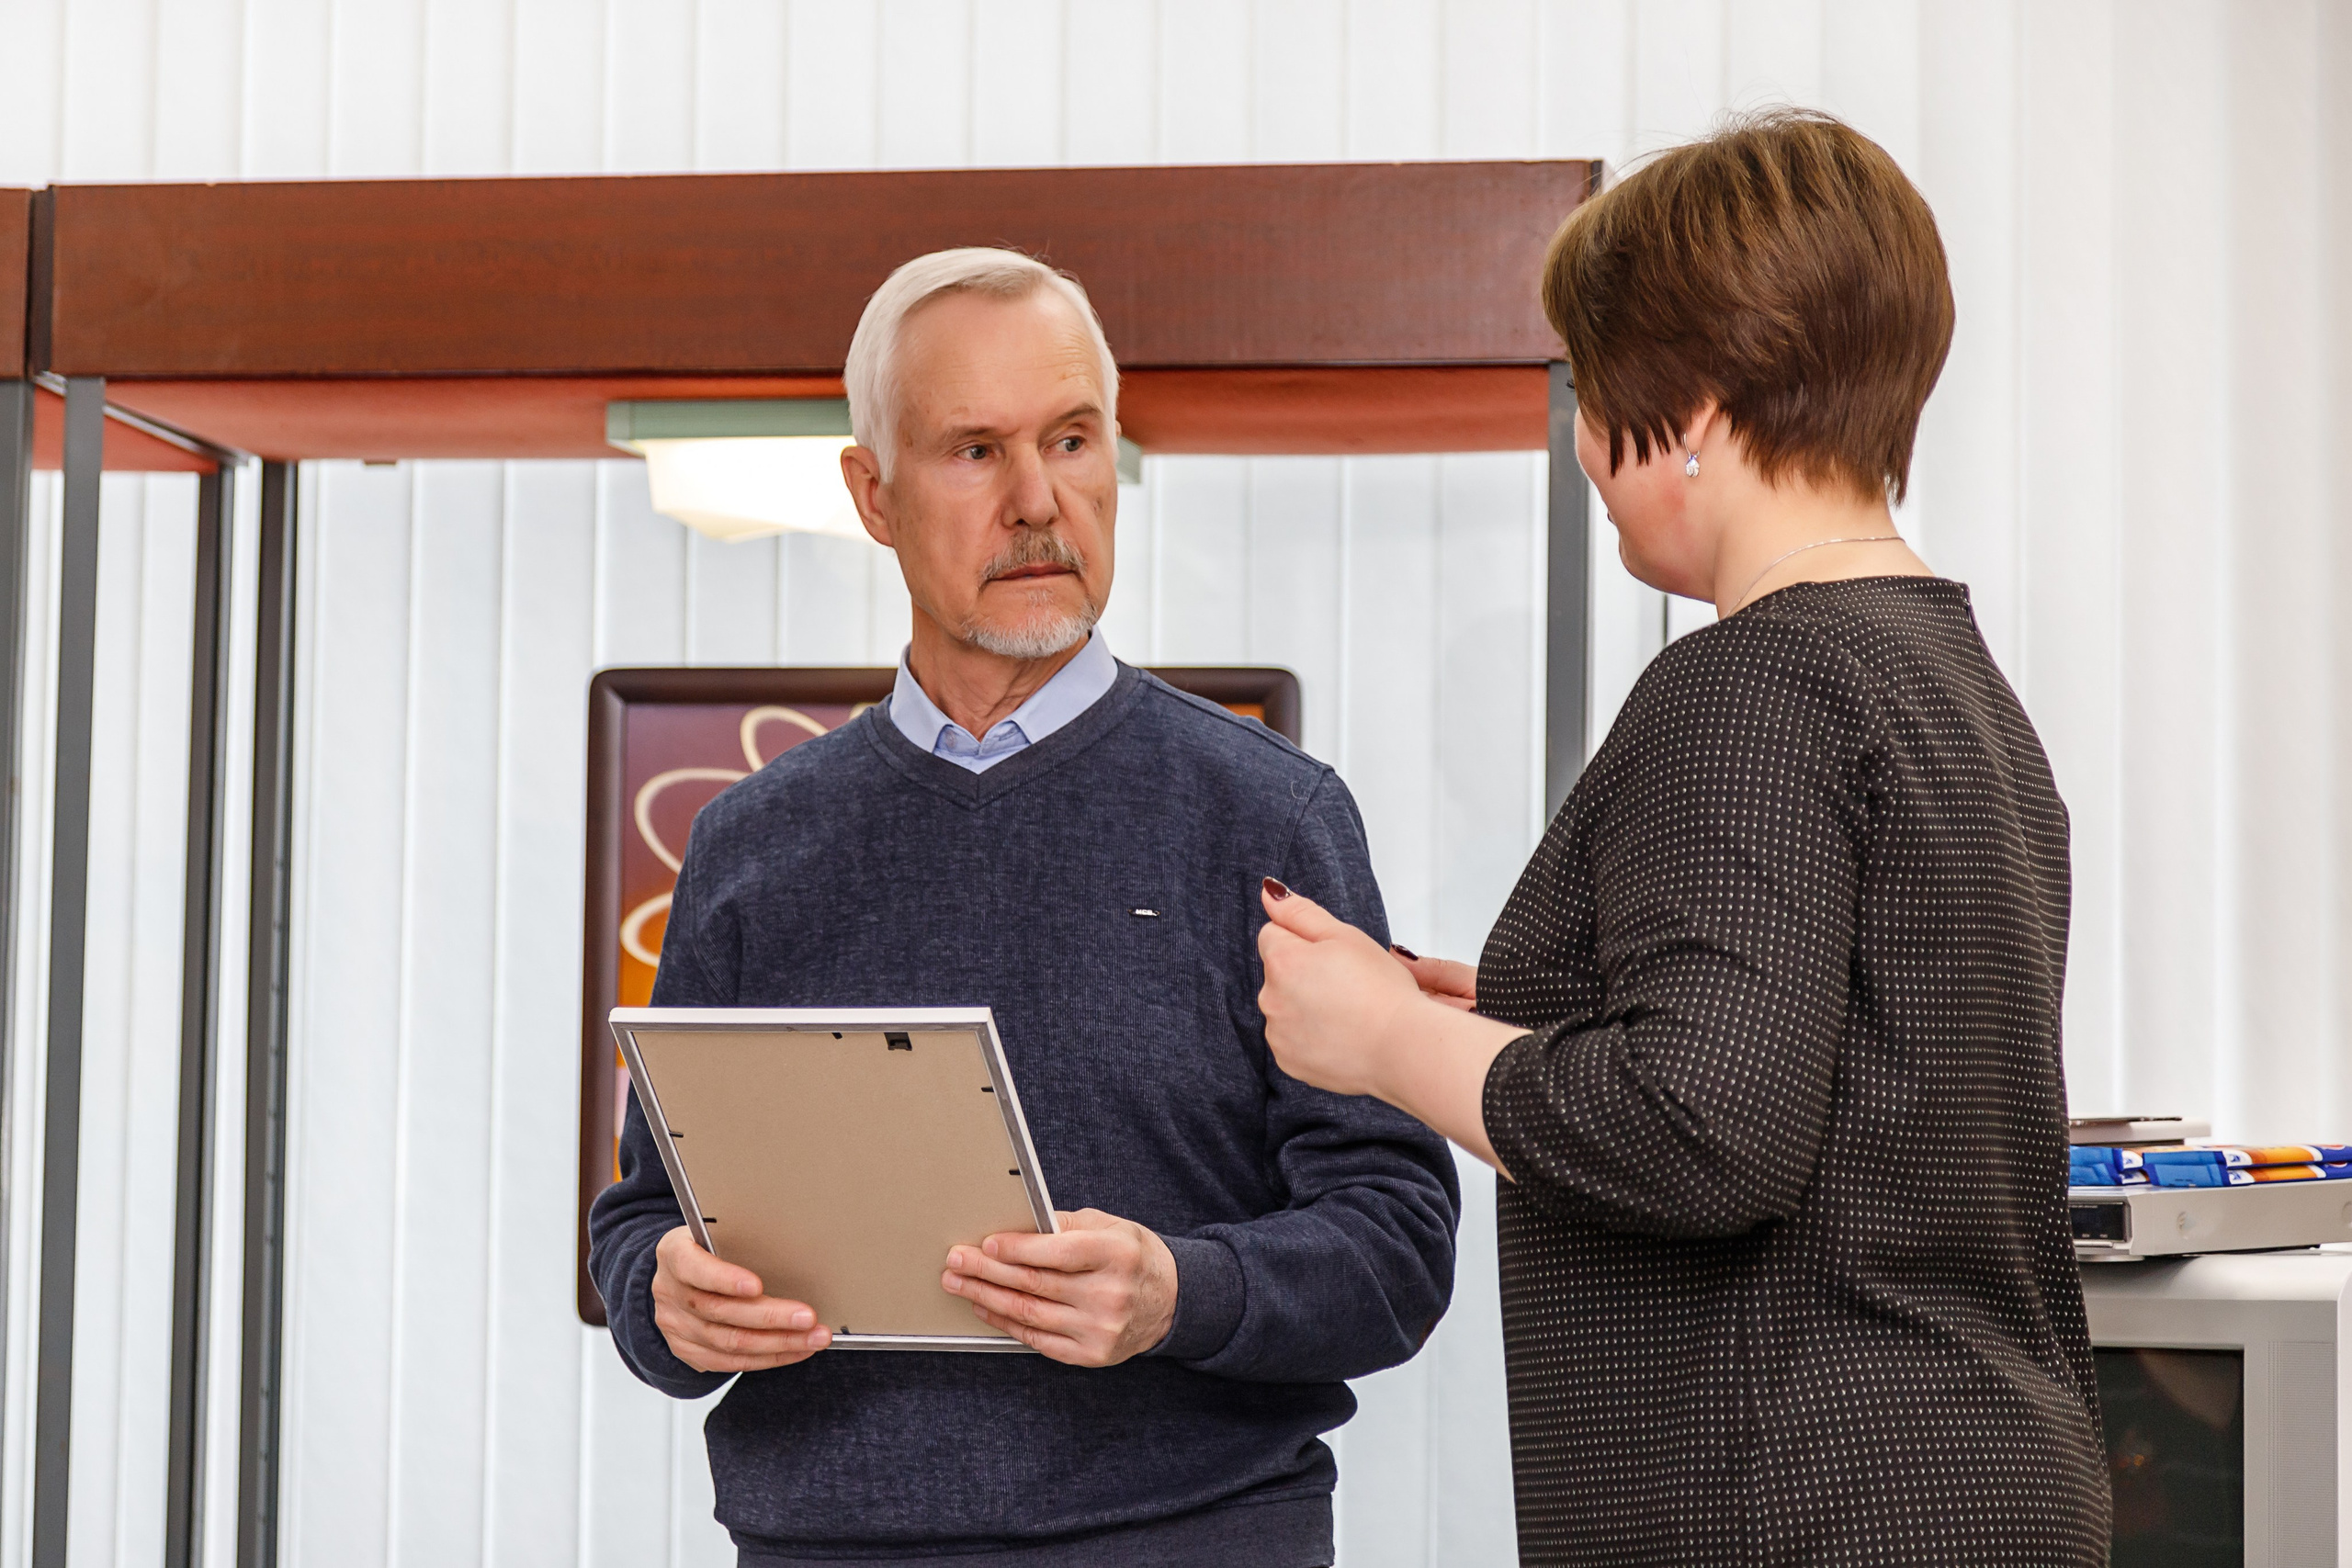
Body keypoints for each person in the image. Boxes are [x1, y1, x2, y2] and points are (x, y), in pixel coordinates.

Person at [1253, 111, 2109, 1565]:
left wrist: (1385, 1046)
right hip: (1980, 1485)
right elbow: (1828, 1078)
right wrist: (1514, 1013)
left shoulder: (1748, 680)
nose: (1586, 444)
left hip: (1804, 1507)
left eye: (1596, 390)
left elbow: (1701, 1132)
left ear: (1696, 408)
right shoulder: (1950, 682)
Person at [586, 247, 1459, 1567]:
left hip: (1189, 1539)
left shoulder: (1269, 819)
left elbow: (1397, 1242)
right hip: (826, 1543)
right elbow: (644, 1217)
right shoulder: (751, 848)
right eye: (976, 452)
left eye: (1071, 440)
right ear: (873, 496)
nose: (1040, 502)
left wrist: (1180, 1293)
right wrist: (666, 1301)